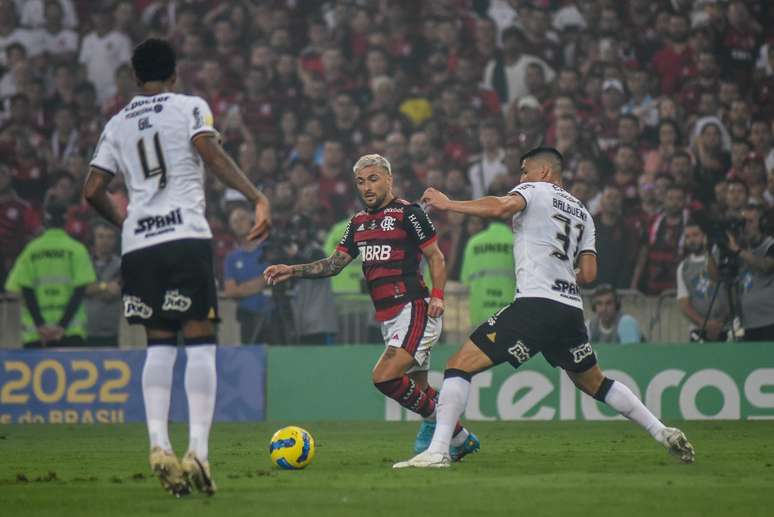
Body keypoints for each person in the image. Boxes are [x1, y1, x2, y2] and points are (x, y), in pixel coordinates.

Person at [394, 147, 694, 469]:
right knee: (595, 382)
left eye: (525, 171)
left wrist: (448, 203)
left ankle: (438, 450)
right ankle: (662, 431)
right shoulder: (583, 213)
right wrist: (562, 276)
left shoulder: (535, 190)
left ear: (545, 172)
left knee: (458, 366)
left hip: (536, 303)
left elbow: (500, 207)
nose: (520, 178)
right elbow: (590, 274)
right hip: (570, 310)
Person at [82, 39, 271, 497]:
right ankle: (199, 454)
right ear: (175, 73)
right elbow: (209, 150)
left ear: (133, 74)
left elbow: (91, 190)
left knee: (159, 346)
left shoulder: (117, 122)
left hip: (140, 246)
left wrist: (127, 222)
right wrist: (256, 196)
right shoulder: (189, 107)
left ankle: (158, 445)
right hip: (185, 236)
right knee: (201, 342)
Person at [264, 154, 479, 460]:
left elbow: (436, 257)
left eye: (373, 179)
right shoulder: (358, 223)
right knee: (417, 389)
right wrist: (293, 270)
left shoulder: (409, 213)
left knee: (384, 377)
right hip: (388, 317)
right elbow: (334, 264)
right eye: (361, 182)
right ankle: (459, 438)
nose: (367, 187)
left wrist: (439, 296)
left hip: (414, 309)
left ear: (389, 179)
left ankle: (444, 430)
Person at [4, 201, 95, 348]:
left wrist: (40, 325)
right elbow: (79, 292)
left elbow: (24, 290)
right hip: (70, 331)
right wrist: (61, 326)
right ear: (66, 221)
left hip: (36, 334)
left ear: (45, 221)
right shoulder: (78, 250)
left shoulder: (30, 250)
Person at [223, 205, 272, 344]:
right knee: (250, 358)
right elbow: (230, 291)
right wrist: (261, 282)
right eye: (234, 221)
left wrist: (244, 289)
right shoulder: (231, 258)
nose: (239, 223)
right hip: (247, 317)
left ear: (252, 219)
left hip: (273, 314)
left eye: (242, 218)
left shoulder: (268, 249)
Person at [726, 204, 774, 341]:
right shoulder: (739, 249)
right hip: (748, 322)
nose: (744, 226)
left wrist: (738, 251)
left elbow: (765, 266)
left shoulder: (771, 245)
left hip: (770, 320)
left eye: (750, 221)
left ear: (762, 224)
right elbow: (717, 277)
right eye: (742, 222)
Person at [460, 218, 515, 330]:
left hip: (480, 311)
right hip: (509, 311)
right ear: (510, 220)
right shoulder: (516, 242)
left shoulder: (474, 242)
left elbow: (465, 279)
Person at [84, 221, 122, 347]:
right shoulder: (84, 263)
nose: (105, 241)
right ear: (93, 239)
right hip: (85, 332)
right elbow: (83, 289)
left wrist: (93, 290)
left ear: (115, 240)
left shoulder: (122, 265)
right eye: (100, 236)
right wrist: (105, 286)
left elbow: (114, 293)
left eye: (109, 237)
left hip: (111, 333)